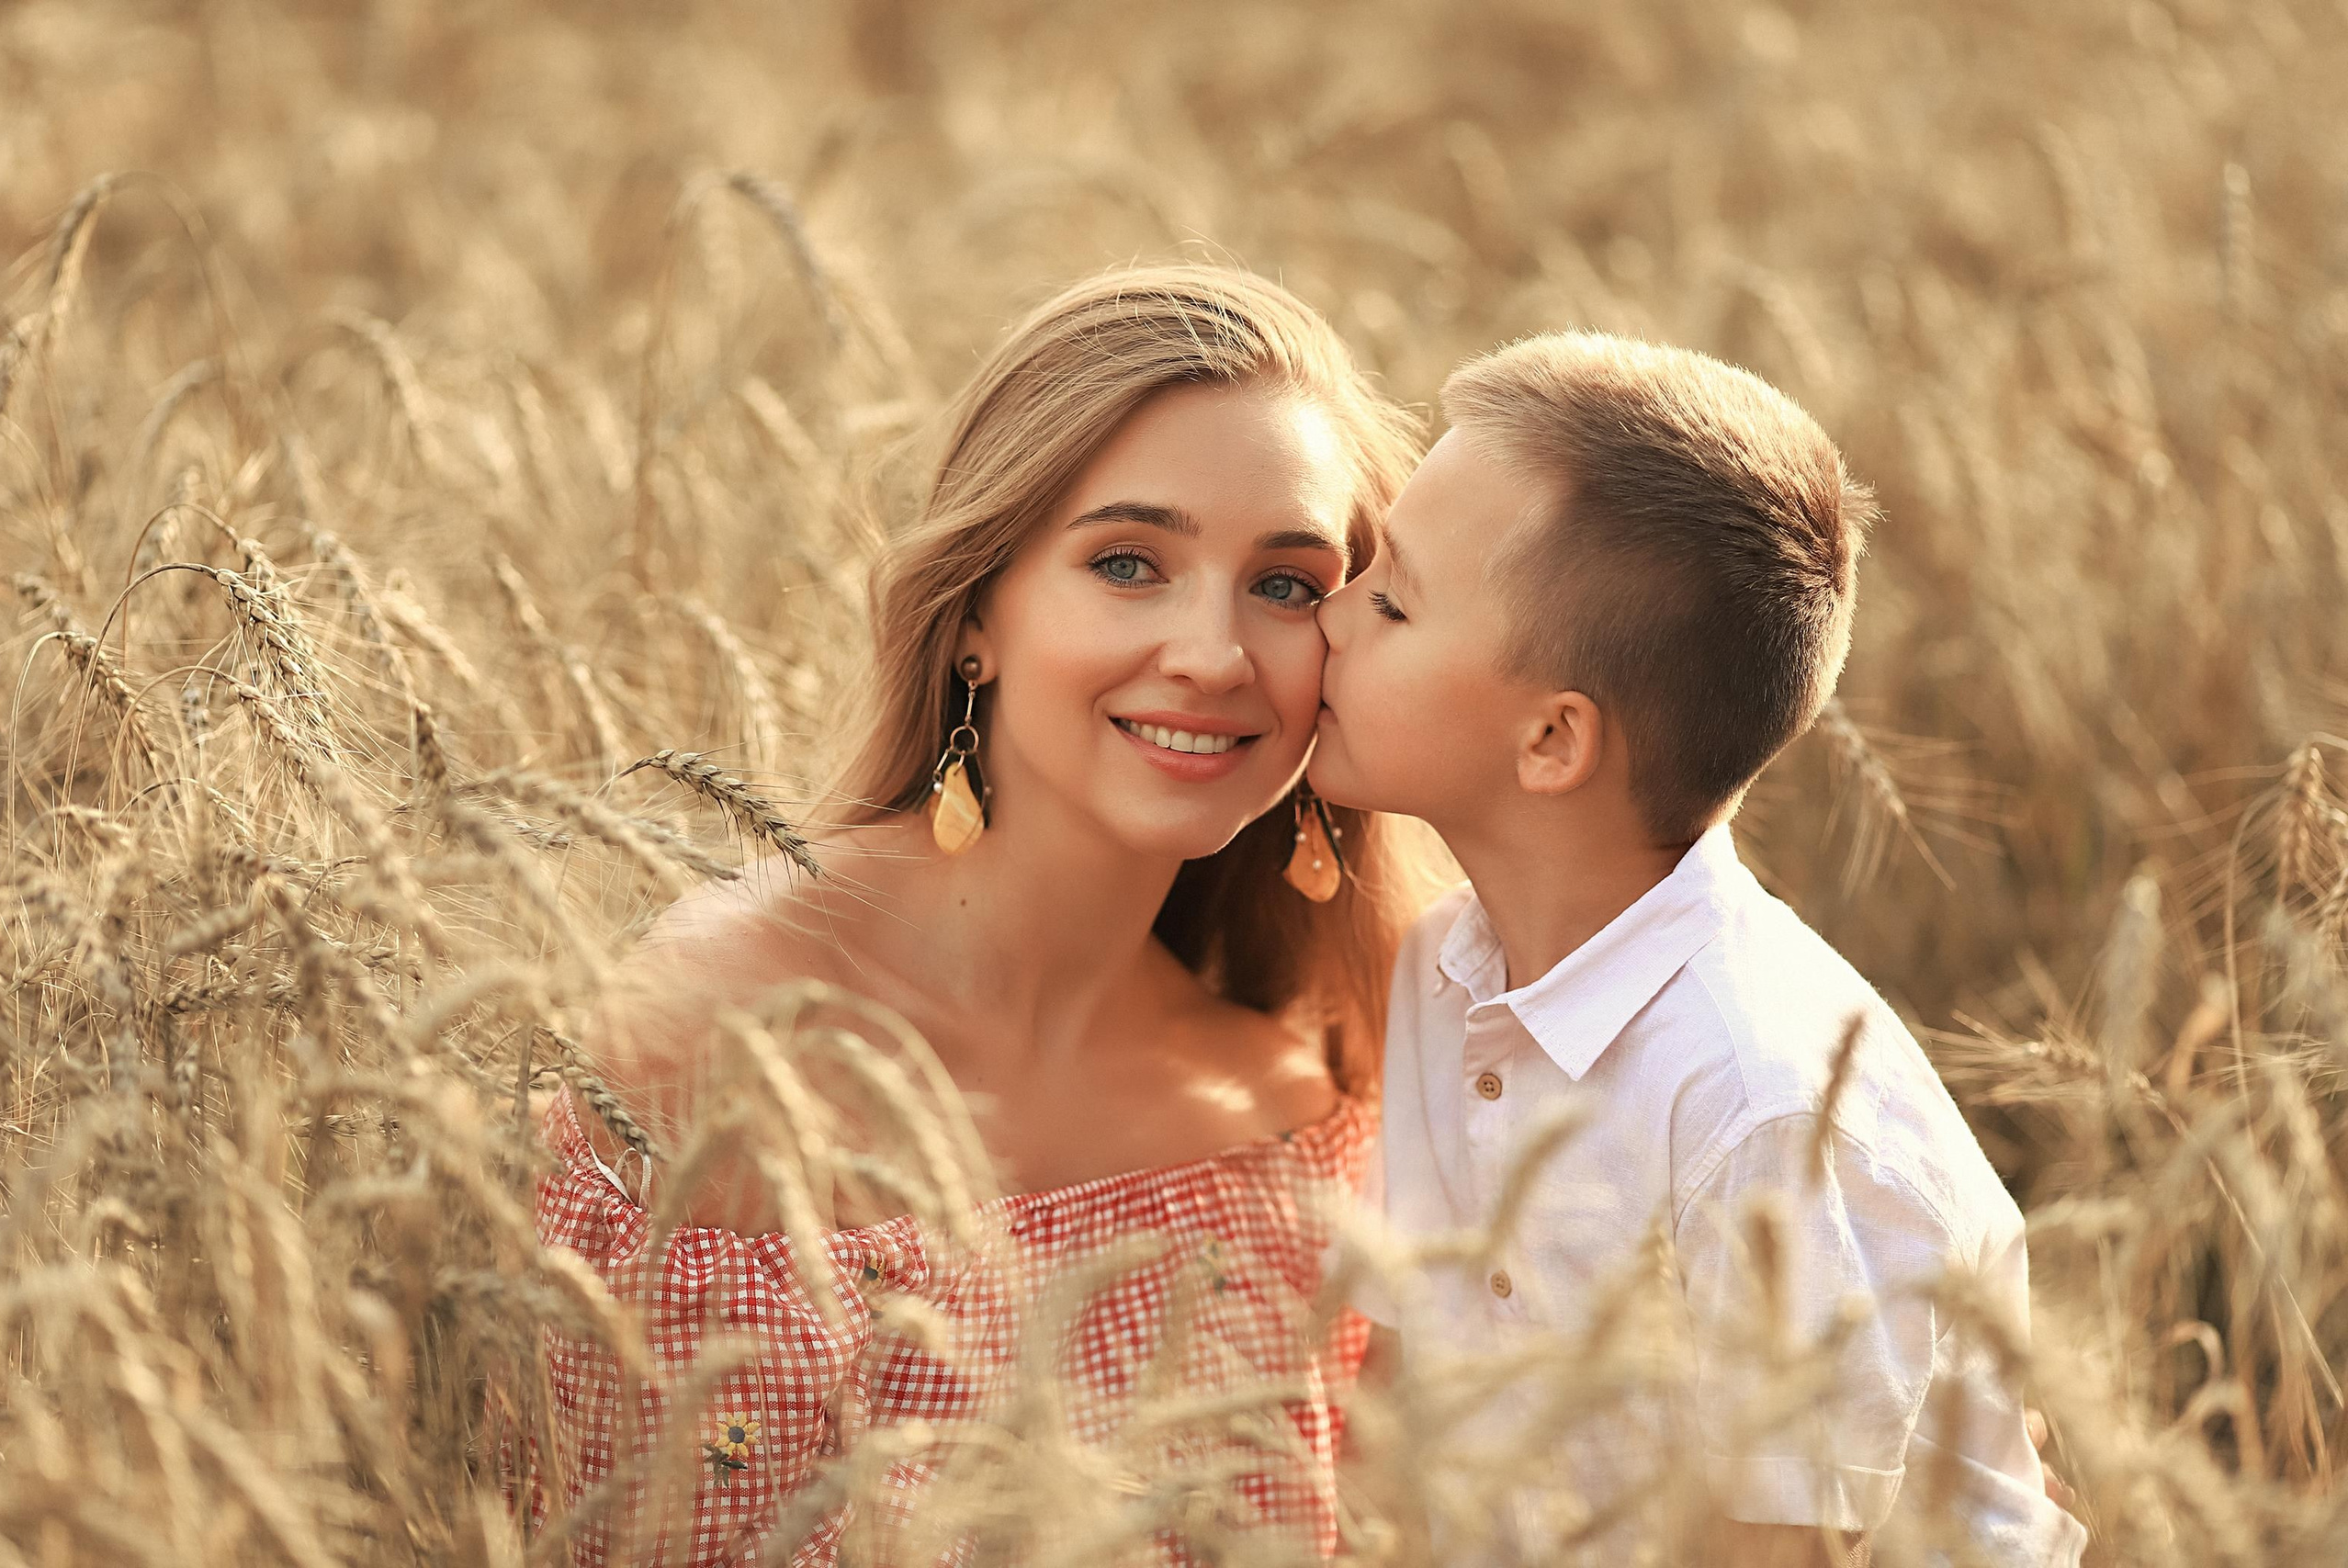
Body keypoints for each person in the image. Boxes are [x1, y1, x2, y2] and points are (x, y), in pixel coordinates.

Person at [521, 265, 1432, 1565]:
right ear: (976, 621)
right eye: (1130, 563)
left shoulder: (1292, 1134)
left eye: (1286, 585)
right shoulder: (710, 1037)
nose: (1216, 652)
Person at [1309, 333, 2089, 1565]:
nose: (1331, 615)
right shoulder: (1437, 973)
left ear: (1553, 741)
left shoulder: (1767, 1104)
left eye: (1391, 598)